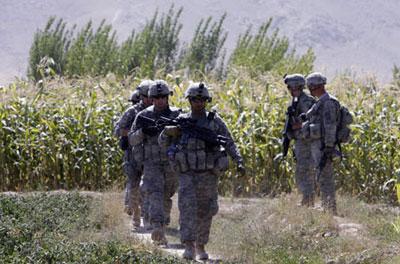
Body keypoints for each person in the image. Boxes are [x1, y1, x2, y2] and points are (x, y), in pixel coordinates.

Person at [159, 82, 245, 260]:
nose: (199, 103)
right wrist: (169, 133)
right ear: (189, 101)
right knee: (187, 209)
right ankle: (189, 245)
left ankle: (201, 245)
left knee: (207, 210)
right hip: (187, 173)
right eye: (195, 100)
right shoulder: (182, 121)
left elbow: (229, 142)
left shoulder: (214, 121)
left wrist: (238, 161)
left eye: (202, 100)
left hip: (208, 174)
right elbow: (163, 143)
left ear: (206, 101)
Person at [129, 80, 180, 245]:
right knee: (155, 193)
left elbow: (186, 137)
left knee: (167, 194)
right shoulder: (143, 116)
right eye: (156, 97)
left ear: (168, 97)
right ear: (151, 98)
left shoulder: (177, 115)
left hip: (171, 162)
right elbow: (132, 139)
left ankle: (163, 222)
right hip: (151, 163)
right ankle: (158, 227)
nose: (160, 100)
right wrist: (143, 132)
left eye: (163, 97)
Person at [114, 80, 153, 228]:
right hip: (133, 155)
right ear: (142, 96)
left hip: (151, 155)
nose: (150, 100)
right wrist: (134, 133)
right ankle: (136, 213)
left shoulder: (158, 112)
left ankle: (147, 215)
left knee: (149, 186)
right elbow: (117, 130)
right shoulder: (132, 112)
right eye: (147, 96)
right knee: (134, 186)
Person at [302, 72, 340, 215]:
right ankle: (326, 206)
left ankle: (330, 209)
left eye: (310, 87)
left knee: (326, 177)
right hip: (318, 144)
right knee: (321, 175)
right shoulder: (320, 102)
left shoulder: (328, 102)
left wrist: (328, 147)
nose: (310, 90)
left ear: (316, 86)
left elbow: (330, 126)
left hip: (323, 146)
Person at [283, 74, 316, 206]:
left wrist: (299, 125)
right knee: (302, 170)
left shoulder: (306, 101)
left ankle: (308, 200)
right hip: (300, 140)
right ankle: (307, 199)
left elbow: (312, 120)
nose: (290, 90)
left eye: (291, 87)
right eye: (289, 87)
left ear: (298, 86)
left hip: (306, 141)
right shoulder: (296, 101)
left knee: (304, 170)